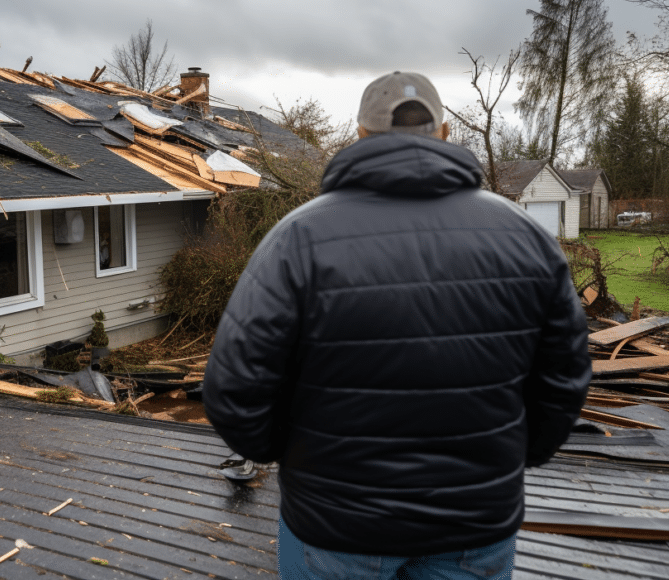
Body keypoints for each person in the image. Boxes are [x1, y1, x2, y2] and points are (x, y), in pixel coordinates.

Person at [203, 72, 590, 579]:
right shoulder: (523, 236)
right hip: (475, 524)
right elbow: (565, 376)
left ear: (360, 136)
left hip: (335, 526)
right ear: (446, 134)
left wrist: (295, 458)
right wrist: (516, 456)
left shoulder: (299, 237)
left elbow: (233, 389)